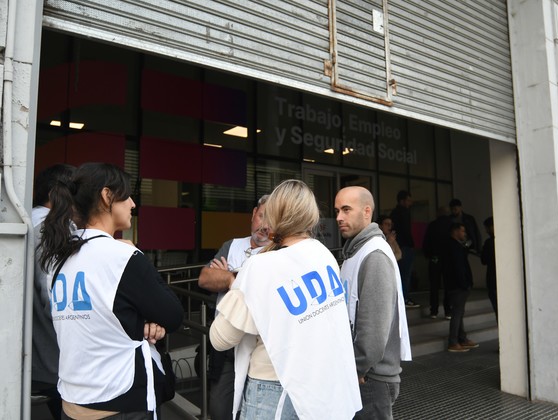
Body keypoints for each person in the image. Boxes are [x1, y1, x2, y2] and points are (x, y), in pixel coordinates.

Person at [39, 162, 184, 419]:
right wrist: (134, 253)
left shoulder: (58, 259)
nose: (132, 204)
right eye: (127, 196)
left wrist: (142, 323)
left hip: (72, 401)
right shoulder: (121, 256)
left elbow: (102, 317)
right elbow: (173, 315)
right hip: (121, 401)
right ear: (107, 196)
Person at [210, 180, 361, 419]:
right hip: (323, 383)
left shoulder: (260, 266)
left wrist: (235, 284)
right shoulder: (324, 255)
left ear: (274, 215)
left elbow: (220, 338)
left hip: (274, 389)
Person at [335, 186, 411, 420]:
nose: (339, 217)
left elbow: (374, 333)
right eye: (337, 211)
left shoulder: (374, 255)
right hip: (364, 375)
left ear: (367, 211)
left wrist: (356, 368)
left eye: (346, 209)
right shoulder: (356, 252)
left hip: (370, 379)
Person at [197, 194, 270, 420]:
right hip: (226, 341)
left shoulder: (276, 252)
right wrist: (233, 280)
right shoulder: (232, 246)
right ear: (253, 214)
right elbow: (204, 278)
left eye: (272, 220)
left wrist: (227, 276)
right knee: (220, 409)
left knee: (253, 407)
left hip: (258, 345)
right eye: (262, 216)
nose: (265, 226)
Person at [32, 164, 76, 420]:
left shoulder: (24, 221)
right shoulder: (53, 229)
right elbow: (56, 298)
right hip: (53, 356)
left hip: (32, 352)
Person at [442, 223, 478, 353]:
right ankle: (453, 341)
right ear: (455, 231)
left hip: (456, 284)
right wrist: (465, 283)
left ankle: (462, 338)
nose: (464, 234)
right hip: (457, 285)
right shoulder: (453, 247)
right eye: (462, 231)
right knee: (457, 313)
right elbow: (458, 268)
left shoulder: (456, 246)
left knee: (459, 312)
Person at [390, 190, 419, 308]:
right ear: (402, 201)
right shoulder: (402, 213)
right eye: (408, 200)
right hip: (404, 246)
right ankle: (404, 298)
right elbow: (405, 231)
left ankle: (402, 298)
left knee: (402, 274)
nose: (410, 203)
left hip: (401, 245)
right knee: (405, 274)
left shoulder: (396, 213)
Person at [422, 206, 452, 319]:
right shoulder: (451, 225)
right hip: (448, 259)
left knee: (434, 285)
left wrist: (429, 255)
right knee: (448, 285)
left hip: (435, 258)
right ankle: (448, 311)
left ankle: (434, 311)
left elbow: (426, 242)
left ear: (438, 213)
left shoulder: (432, 225)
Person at [481, 217, 497, 320]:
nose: (486, 231)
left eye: (487, 228)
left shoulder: (489, 242)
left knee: (498, 310)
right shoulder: (506, 240)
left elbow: (484, 260)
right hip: (506, 280)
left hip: (493, 279)